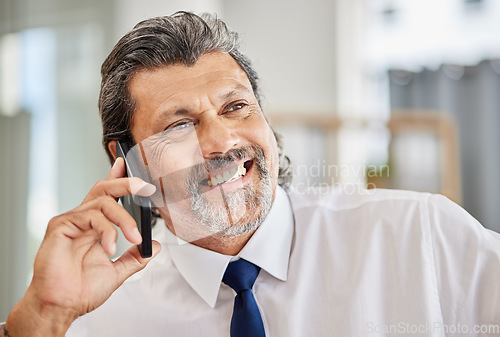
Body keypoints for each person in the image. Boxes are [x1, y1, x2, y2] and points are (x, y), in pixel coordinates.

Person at [2, 11, 500, 337]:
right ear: (129, 159)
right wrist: (43, 318)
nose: (222, 141)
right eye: (179, 125)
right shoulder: (89, 314)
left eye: (237, 107)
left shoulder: (421, 236)